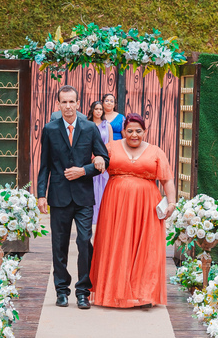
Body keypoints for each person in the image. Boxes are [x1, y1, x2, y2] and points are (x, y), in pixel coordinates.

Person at [89, 113, 172, 309]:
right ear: (124, 131)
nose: (134, 135)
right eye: (130, 131)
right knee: (116, 244)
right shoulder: (111, 147)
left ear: (145, 132)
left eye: (138, 131)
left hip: (147, 206)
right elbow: (95, 161)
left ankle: (144, 294)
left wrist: (172, 203)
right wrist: (98, 157)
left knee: (146, 246)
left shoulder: (156, 151)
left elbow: (167, 179)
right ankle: (114, 291)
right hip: (115, 205)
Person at [38, 86, 110, 309]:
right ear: (58, 104)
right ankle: (61, 290)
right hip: (58, 196)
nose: (68, 106)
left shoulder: (89, 128)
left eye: (72, 102)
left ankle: (82, 292)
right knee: (58, 245)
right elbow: (44, 165)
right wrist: (41, 195)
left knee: (84, 242)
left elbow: (104, 160)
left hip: (83, 196)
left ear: (78, 104)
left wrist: (84, 170)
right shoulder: (50, 129)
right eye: (64, 102)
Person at [87, 101, 112, 224]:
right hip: (89, 161)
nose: (98, 111)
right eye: (96, 109)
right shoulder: (87, 124)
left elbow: (111, 144)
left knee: (103, 189)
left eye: (100, 109)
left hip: (103, 160)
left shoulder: (107, 126)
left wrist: (101, 155)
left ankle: (102, 217)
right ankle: (90, 217)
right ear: (92, 110)